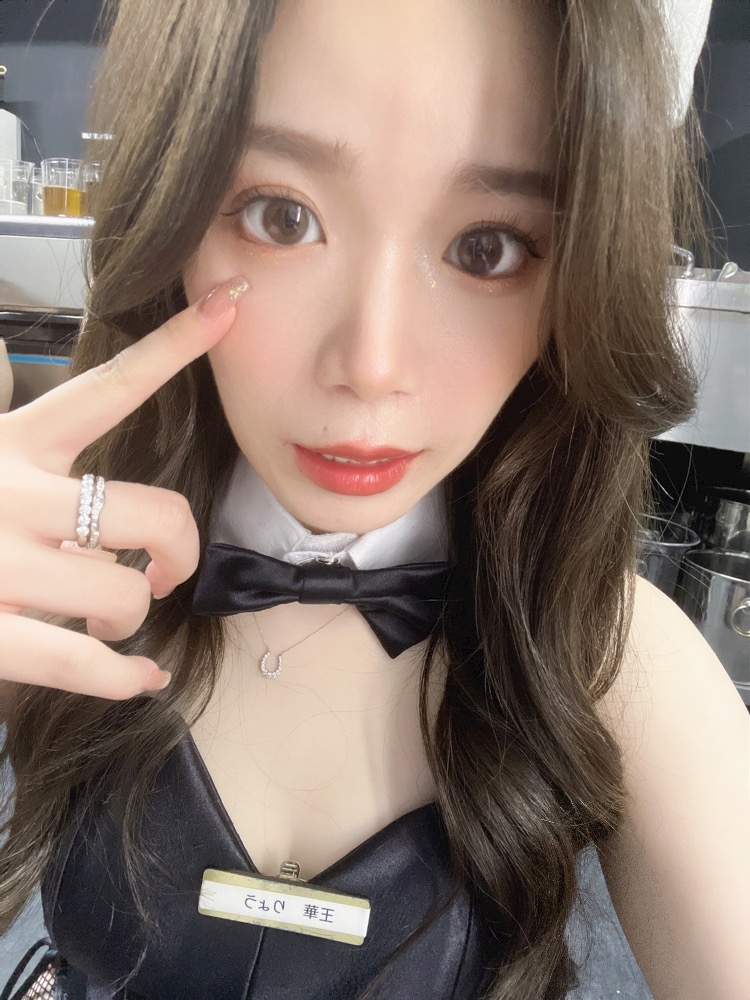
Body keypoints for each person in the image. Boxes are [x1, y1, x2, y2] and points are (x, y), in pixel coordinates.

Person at [0, 0, 747, 998]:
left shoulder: (615, 656)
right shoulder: (57, 585)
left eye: (488, 247)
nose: (373, 364)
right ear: (171, 225)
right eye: (282, 216)